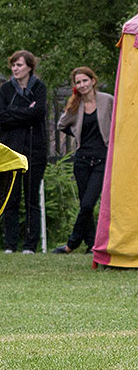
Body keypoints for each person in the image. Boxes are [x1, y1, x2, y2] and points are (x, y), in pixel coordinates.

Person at [53, 65, 113, 254]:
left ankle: (72, 244)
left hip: (102, 159)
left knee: (88, 203)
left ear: (93, 81)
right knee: (84, 204)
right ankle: (92, 244)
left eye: (85, 80)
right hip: (82, 160)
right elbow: (61, 124)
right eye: (78, 82)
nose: (82, 85)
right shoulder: (75, 105)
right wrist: (76, 134)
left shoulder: (107, 100)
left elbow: (118, 122)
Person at [0, 50, 48, 253]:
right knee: (12, 198)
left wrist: (13, 112)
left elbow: (39, 113)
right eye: (13, 65)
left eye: (19, 65)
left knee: (32, 199)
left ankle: (30, 245)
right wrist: (25, 113)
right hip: (11, 152)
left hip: (35, 151)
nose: (15, 69)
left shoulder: (39, 88)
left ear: (29, 67)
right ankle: (10, 244)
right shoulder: (6, 90)